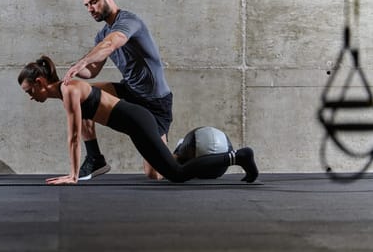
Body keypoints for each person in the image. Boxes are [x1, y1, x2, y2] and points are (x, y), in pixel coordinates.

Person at [18, 56, 259, 185]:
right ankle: (238, 157)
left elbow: (72, 137)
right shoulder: (68, 90)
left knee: (176, 173)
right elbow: (85, 125)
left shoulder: (69, 89)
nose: (30, 97)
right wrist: (95, 157)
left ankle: (239, 156)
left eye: (29, 91)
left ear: (40, 83)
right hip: (135, 124)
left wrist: (72, 175)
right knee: (173, 172)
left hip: (138, 121)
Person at [63, 0, 173, 180]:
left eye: (94, 2)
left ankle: (184, 152)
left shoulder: (128, 21)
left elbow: (112, 44)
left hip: (155, 101)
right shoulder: (102, 34)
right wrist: (72, 72)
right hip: (130, 91)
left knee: (155, 173)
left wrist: (83, 61)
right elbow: (92, 72)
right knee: (80, 93)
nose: (90, 9)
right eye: (86, 5)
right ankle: (95, 158)